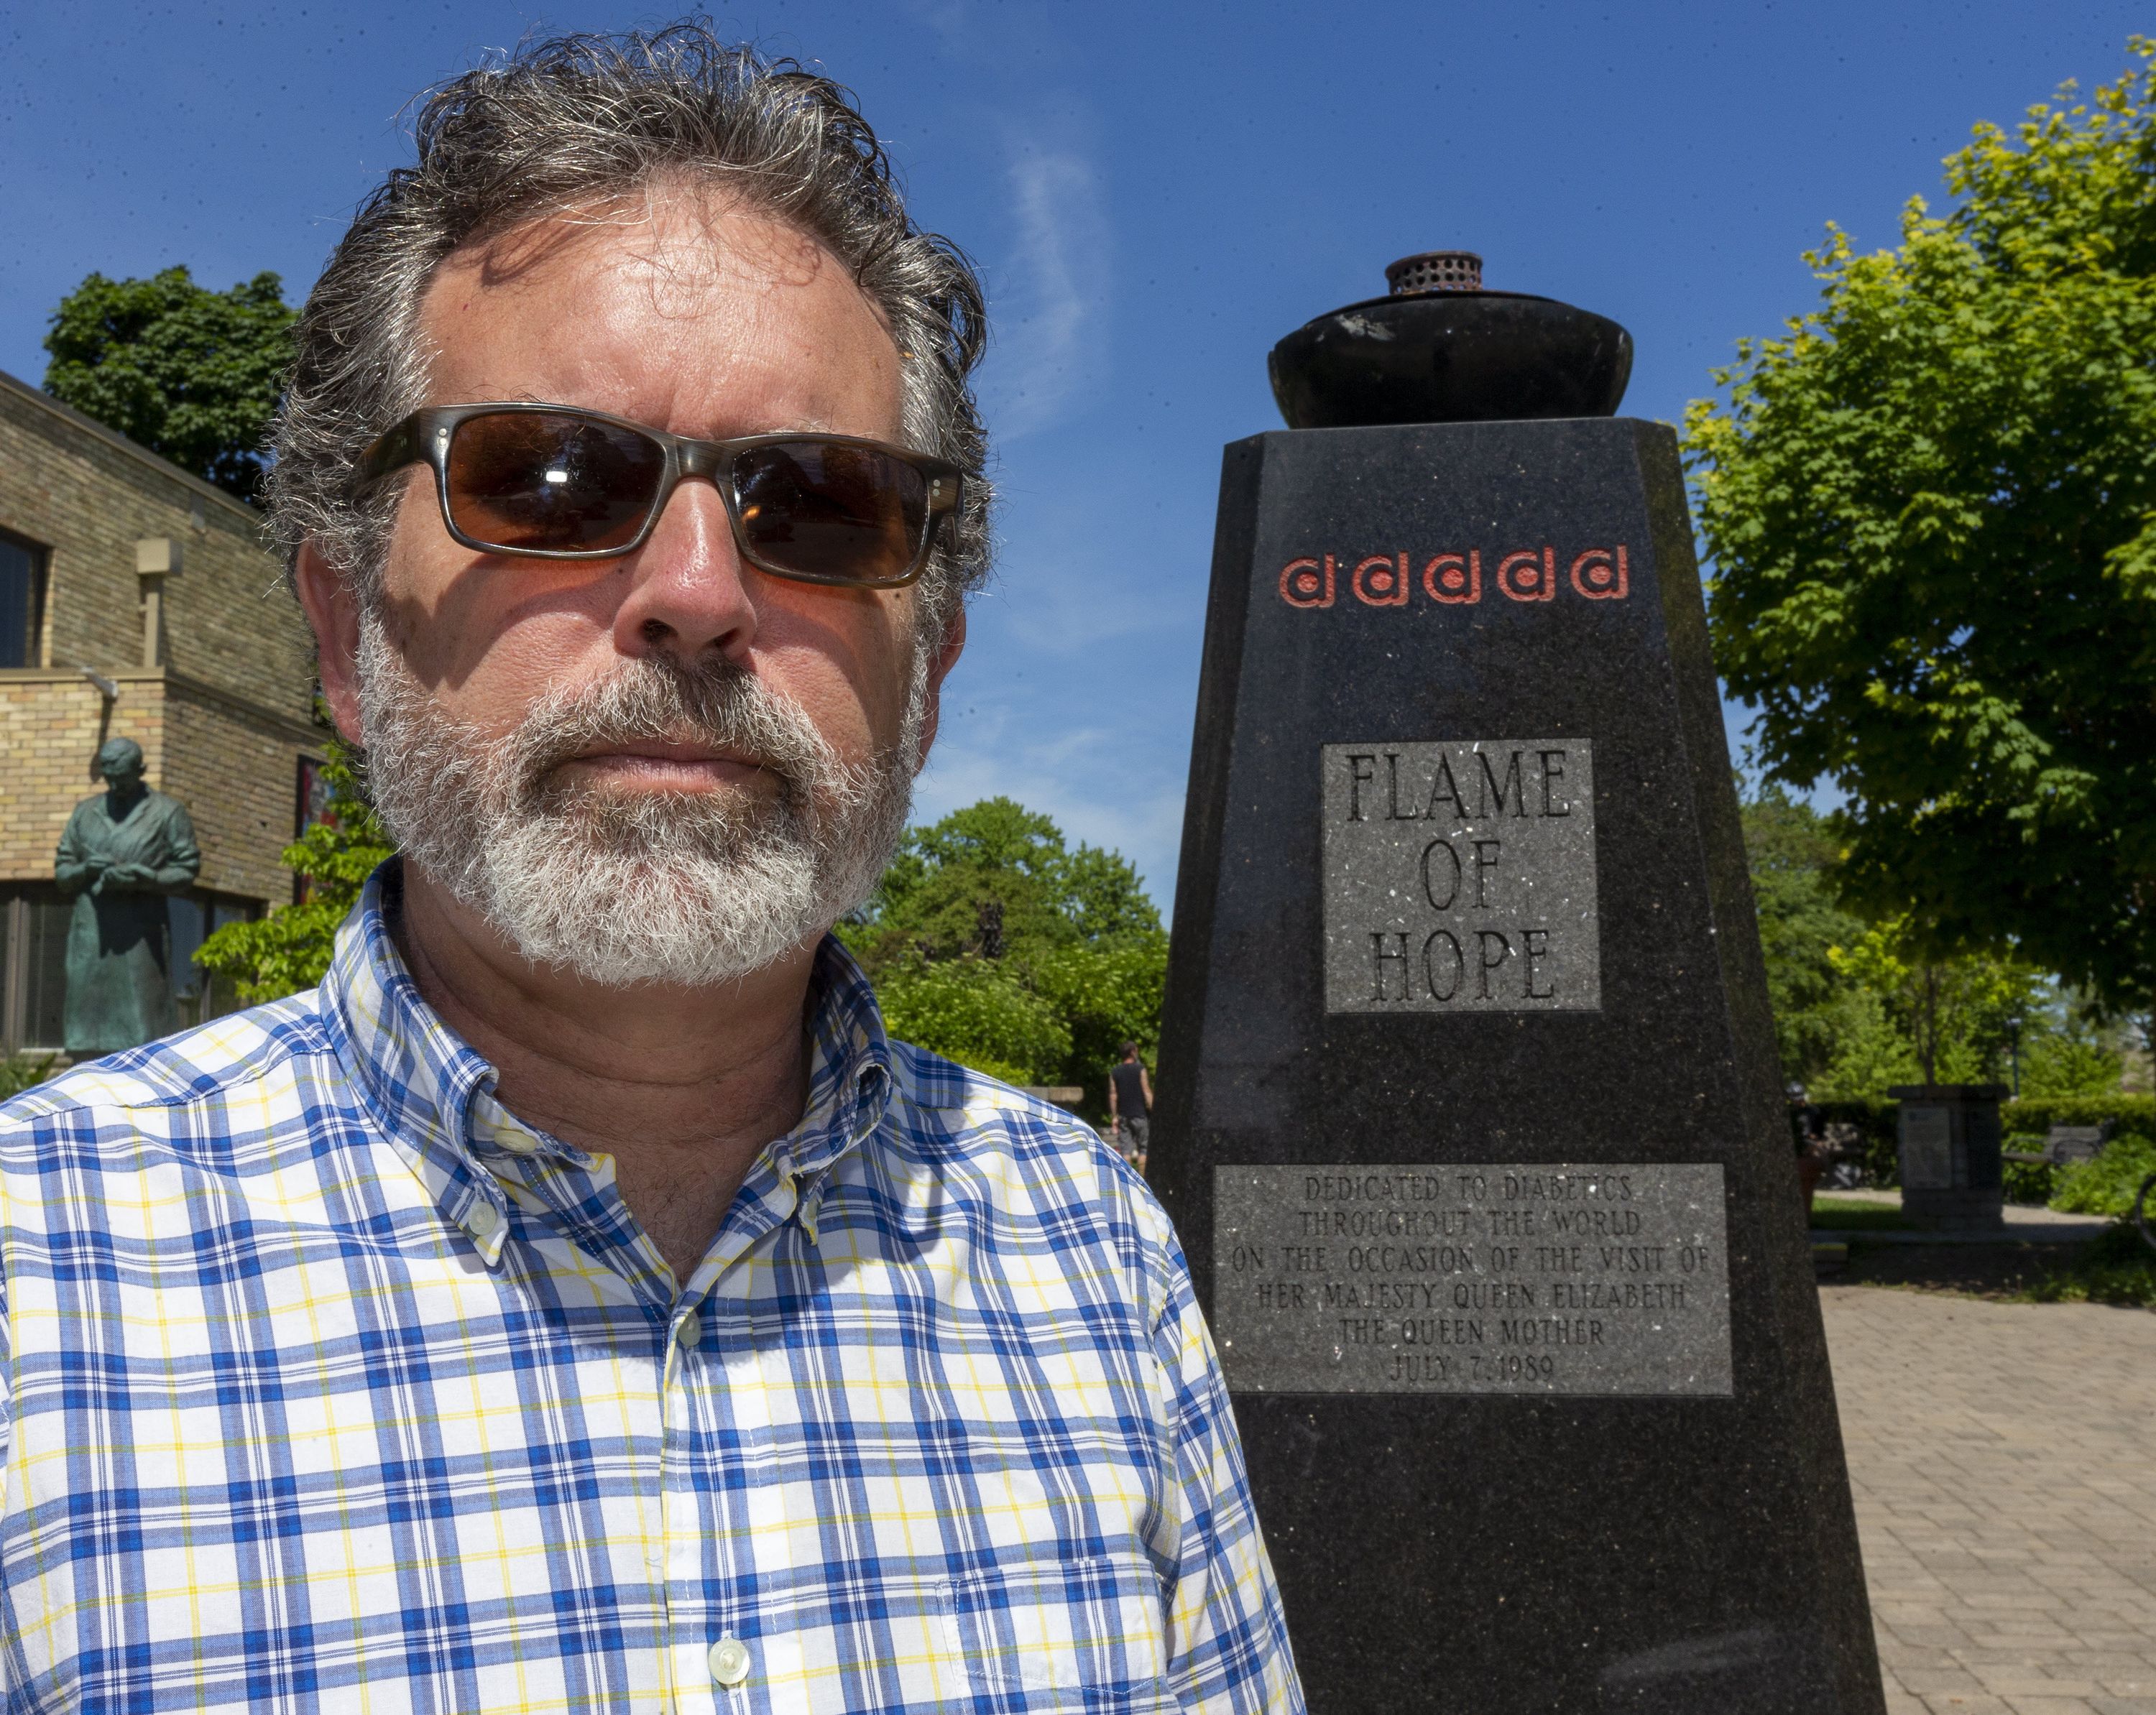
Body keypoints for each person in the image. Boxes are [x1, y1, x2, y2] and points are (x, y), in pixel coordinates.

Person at [0, 29, 1301, 1714]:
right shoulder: (35, 1278)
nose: (696, 590)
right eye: (548, 477)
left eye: (820, 504)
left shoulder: (1094, 1253)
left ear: (931, 663)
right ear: (342, 623)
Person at [52, 736, 201, 1053]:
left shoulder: (167, 813)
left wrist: (144, 878)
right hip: (92, 936)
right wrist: (87, 870)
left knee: (142, 1033)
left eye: (122, 777)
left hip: (139, 938)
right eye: (109, 777)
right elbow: (63, 873)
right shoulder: (85, 813)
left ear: (141, 770)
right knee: (85, 1035)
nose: (115, 784)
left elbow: (186, 871)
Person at [1110, 1039, 1153, 1173]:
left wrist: (1114, 1117)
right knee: (1144, 1149)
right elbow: (1146, 1091)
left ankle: (1128, 1181)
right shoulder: (1140, 1069)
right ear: (1133, 1052)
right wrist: (1154, 1110)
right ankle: (1143, 1180)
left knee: (1126, 1150)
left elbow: (1113, 1095)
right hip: (1140, 1115)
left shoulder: (1115, 1071)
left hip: (1124, 1116)